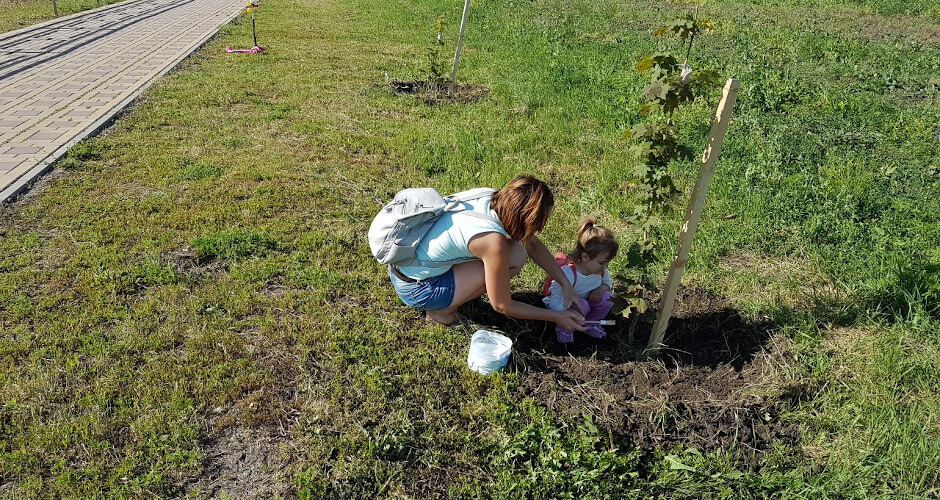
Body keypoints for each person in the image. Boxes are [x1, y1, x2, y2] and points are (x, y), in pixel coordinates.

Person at [387, 175, 585, 333]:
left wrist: (565, 284)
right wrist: (556, 317)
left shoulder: (493, 197)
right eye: (536, 224)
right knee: (512, 258)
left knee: (517, 251)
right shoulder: (492, 242)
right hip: (417, 290)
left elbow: (530, 241)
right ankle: (441, 312)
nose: (539, 230)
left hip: (406, 267)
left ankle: (451, 293)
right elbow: (501, 305)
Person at [542, 219, 618, 343]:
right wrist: (560, 315)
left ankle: (591, 322)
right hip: (566, 305)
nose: (606, 267)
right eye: (602, 263)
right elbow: (555, 300)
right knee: (582, 304)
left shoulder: (601, 270)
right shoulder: (569, 274)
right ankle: (564, 329)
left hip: (586, 304)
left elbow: (607, 284)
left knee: (608, 298)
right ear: (585, 257)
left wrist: (601, 288)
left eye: (608, 263)